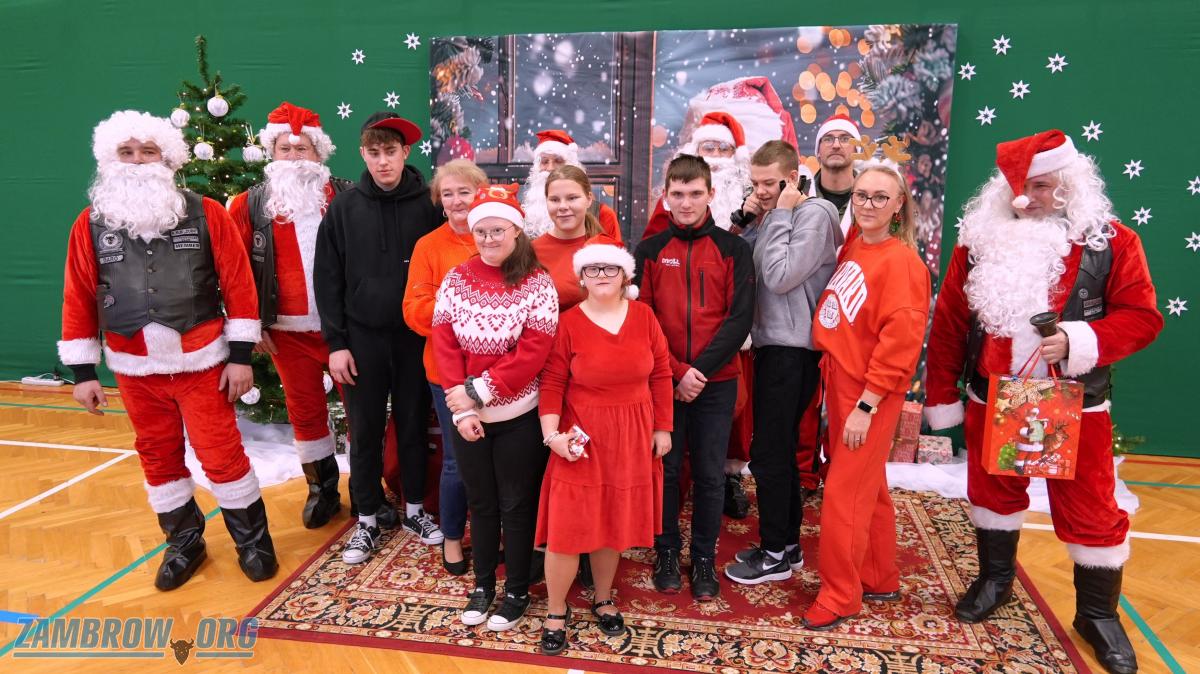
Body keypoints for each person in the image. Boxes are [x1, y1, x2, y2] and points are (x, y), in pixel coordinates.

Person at [924, 130, 1162, 674]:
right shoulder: (977, 243)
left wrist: (1079, 340)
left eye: (1040, 186)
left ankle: (1097, 615)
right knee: (993, 493)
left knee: (1092, 508)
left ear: (1070, 185)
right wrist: (941, 396)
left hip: (1076, 403)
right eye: (1016, 185)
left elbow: (1142, 317)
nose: (1024, 198)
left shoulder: (1113, 243)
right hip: (993, 397)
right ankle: (995, 580)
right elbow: (951, 325)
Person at [59, 110, 276, 590]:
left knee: (221, 454)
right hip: (133, 369)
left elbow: (239, 285)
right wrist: (83, 373)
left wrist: (241, 356)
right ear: (110, 158)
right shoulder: (89, 224)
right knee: (157, 456)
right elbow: (79, 295)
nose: (137, 160)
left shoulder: (208, 213)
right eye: (127, 152)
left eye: (148, 151)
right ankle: (184, 543)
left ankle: (253, 542)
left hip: (202, 362)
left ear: (168, 158)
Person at [805, 161, 931, 630]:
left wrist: (866, 405)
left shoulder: (904, 264)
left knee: (844, 494)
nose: (869, 204)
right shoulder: (857, 243)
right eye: (862, 195)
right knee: (867, 485)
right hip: (841, 379)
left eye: (881, 197)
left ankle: (840, 595)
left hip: (869, 393)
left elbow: (901, 345)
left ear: (899, 206)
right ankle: (879, 574)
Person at [314, 111, 444, 565]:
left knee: (413, 424)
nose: (382, 161)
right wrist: (336, 344)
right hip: (361, 339)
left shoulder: (430, 205)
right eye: (374, 153)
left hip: (415, 338)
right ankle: (366, 518)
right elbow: (327, 278)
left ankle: (414, 510)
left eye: (390, 151)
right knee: (365, 430)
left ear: (406, 153)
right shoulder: (344, 208)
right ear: (362, 154)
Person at [534, 234, 673, 655]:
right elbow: (552, 382)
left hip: (633, 433)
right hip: (582, 437)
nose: (601, 275)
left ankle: (603, 597)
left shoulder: (644, 316)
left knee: (611, 522)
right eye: (592, 269)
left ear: (625, 274)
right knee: (567, 528)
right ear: (581, 276)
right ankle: (556, 609)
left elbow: (661, 373)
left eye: (610, 268)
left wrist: (663, 428)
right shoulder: (569, 322)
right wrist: (552, 436)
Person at [431, 185, 558, 631]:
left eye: (497, 230)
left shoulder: (537, 282)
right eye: (481, 231)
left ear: (516, 231)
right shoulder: (456, 279)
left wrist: (479, 391)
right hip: (467, 416)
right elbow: (444, 342)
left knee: (516, 505)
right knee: (481, 503)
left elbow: (533, 352)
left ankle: (517, 590)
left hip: (518, 415)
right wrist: (463, 408)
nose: (488, 239)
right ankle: (483, 584)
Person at [634, 154, 755, 601]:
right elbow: (643, 320)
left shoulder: (733, 250)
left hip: (716, 382)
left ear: (710, 194)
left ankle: (704, 557)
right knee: (665, 471)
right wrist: (677, 372)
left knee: (708, 473)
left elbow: (739, 320)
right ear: (665, 196)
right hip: (664, 379)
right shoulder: (649, 251)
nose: (686, 203)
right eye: (678, 194)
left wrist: (698, 372)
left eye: (695, 193)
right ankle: (666, 551)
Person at [229, 101, 351, 529]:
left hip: (344, 330)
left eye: (303, 149)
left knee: (362, 410)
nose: (295, 157)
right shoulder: (249, 204)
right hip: (285, 333)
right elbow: (235, 271)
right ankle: (323, 489)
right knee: (304, 410)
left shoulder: (345, 196)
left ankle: (368, 489)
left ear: (319, 153)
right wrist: (252, 325)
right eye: (286, 149)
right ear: (272, 153)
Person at [724, 140, 840, 586]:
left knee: (769, 453)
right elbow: (735, 260)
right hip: (773, 344)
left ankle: (772, 554)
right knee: (781, 450)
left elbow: (778, 275)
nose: (761, 191)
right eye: (755, 183)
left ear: (793, 179)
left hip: (793, 349)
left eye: (769, 183)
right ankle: (787, 547)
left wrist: (781, 214)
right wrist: (748, 217)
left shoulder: (814, 214)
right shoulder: (774, 214)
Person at [402, 158, 488, 575]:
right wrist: (463, 307)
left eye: (464, 192)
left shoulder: (501, 236)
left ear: (480, 193)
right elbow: (414, 311)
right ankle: (452, 537)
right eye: (447, 194)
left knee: (498, 461)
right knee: (457, 460)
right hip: (447, 373)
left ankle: (493, 536)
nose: (456, 201)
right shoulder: (428, 246)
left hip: (499, 374)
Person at [641, 111, 753, 239]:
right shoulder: (673, 196)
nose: (716, 155)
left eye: (724, 148)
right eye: (708, 148)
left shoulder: (749, 194)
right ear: (696, 152)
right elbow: (653, 243)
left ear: (734, 154)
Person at [519, 130, 621, 240]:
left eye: (558, 161)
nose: (550, 168)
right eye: (544, 162)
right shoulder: (522, 217)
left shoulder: (603, 215)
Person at [531, 165, 605, 312]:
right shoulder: (531, 252)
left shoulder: (607, 249)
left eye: (572, 198)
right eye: (554, 200)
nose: (563, 206)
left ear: (589, 199)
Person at [808, 114, 862, 240]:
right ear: (818, 151)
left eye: (845, 139)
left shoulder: (874, 198)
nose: (836, 145)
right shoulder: (799, 196)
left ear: (856, 150)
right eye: (828, 139)